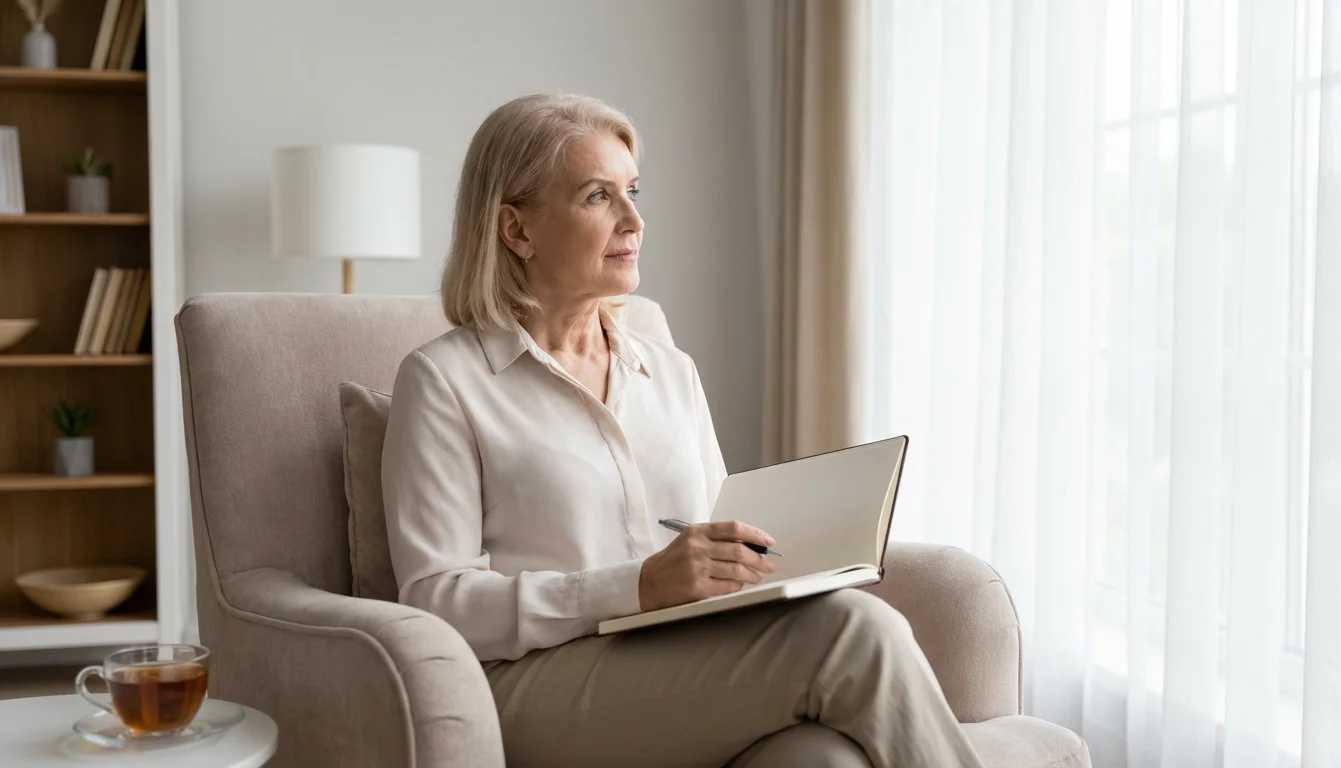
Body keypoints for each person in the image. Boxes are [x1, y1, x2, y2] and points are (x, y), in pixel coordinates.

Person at [380, 93, 984, 767]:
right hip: (530, 685)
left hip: (678, 664)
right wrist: (635, 586)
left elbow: (710, 536)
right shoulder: (443, 381)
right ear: (517, 231)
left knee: (821, 758)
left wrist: (767, 563)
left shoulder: (669, 371)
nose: (634, 220)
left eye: (633, 191)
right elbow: (437, 600)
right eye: (597, 197)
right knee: (854, 632)